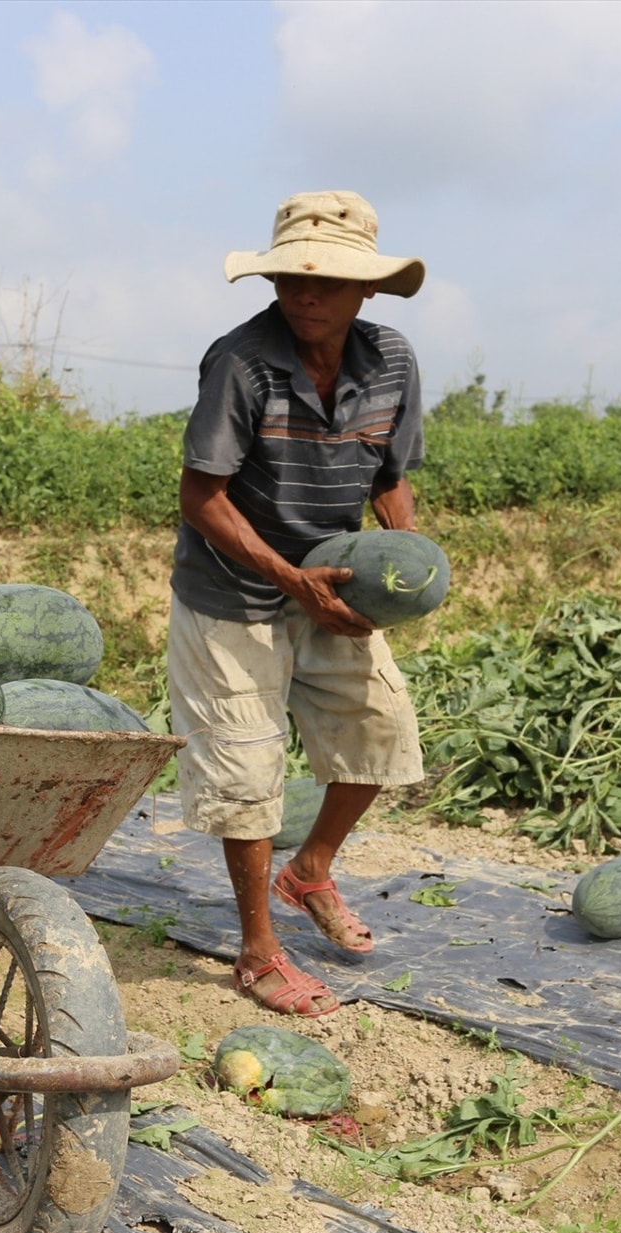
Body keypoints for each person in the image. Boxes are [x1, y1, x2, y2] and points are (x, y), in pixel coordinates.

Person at [168, 190, 428, 1018]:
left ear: (368, 291)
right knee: (247, 771)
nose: (306, 295)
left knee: (381, 734)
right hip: (232, 595)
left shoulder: (391, 362)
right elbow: (201, 496)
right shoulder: (240, 363)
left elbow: (391, 480)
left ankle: (310, 869)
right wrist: (291, 581)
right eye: (289, 280)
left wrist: (402, 569)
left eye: (328, 283)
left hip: (334, 583)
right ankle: (257, 951)